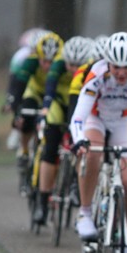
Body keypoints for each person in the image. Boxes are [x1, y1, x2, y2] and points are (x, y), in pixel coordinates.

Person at [70, 32, 127, 253]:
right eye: (116, 67)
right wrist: (79, 140)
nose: (121, 73)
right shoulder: (97, 73)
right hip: (97, 117)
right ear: (107, 63)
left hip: (125, 121)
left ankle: (126, 238)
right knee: (92, 153)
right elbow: (79, 117)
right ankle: (84, 212)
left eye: (126, 67)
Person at [32, 35, 93, 225]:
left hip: (80, 108)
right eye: (70, 65)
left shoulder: (90, 69)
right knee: (50, 149)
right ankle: (42, 202)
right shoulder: (58, 65)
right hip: (60, 105)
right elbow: (49, 89)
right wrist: (45, 108)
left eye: (78, 65)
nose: (74, 69)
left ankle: (75, 185)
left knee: (81, 145)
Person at [1, 31, 64, 187]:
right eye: (44, 61)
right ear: (38, 56)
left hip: (54, 96)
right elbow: (19, 86)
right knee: (27, 114)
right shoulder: (30, 62)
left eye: (52, 61)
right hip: (35, 93)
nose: (47, 66)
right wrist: (16, 110)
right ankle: (24, 150)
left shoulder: (62, 64)